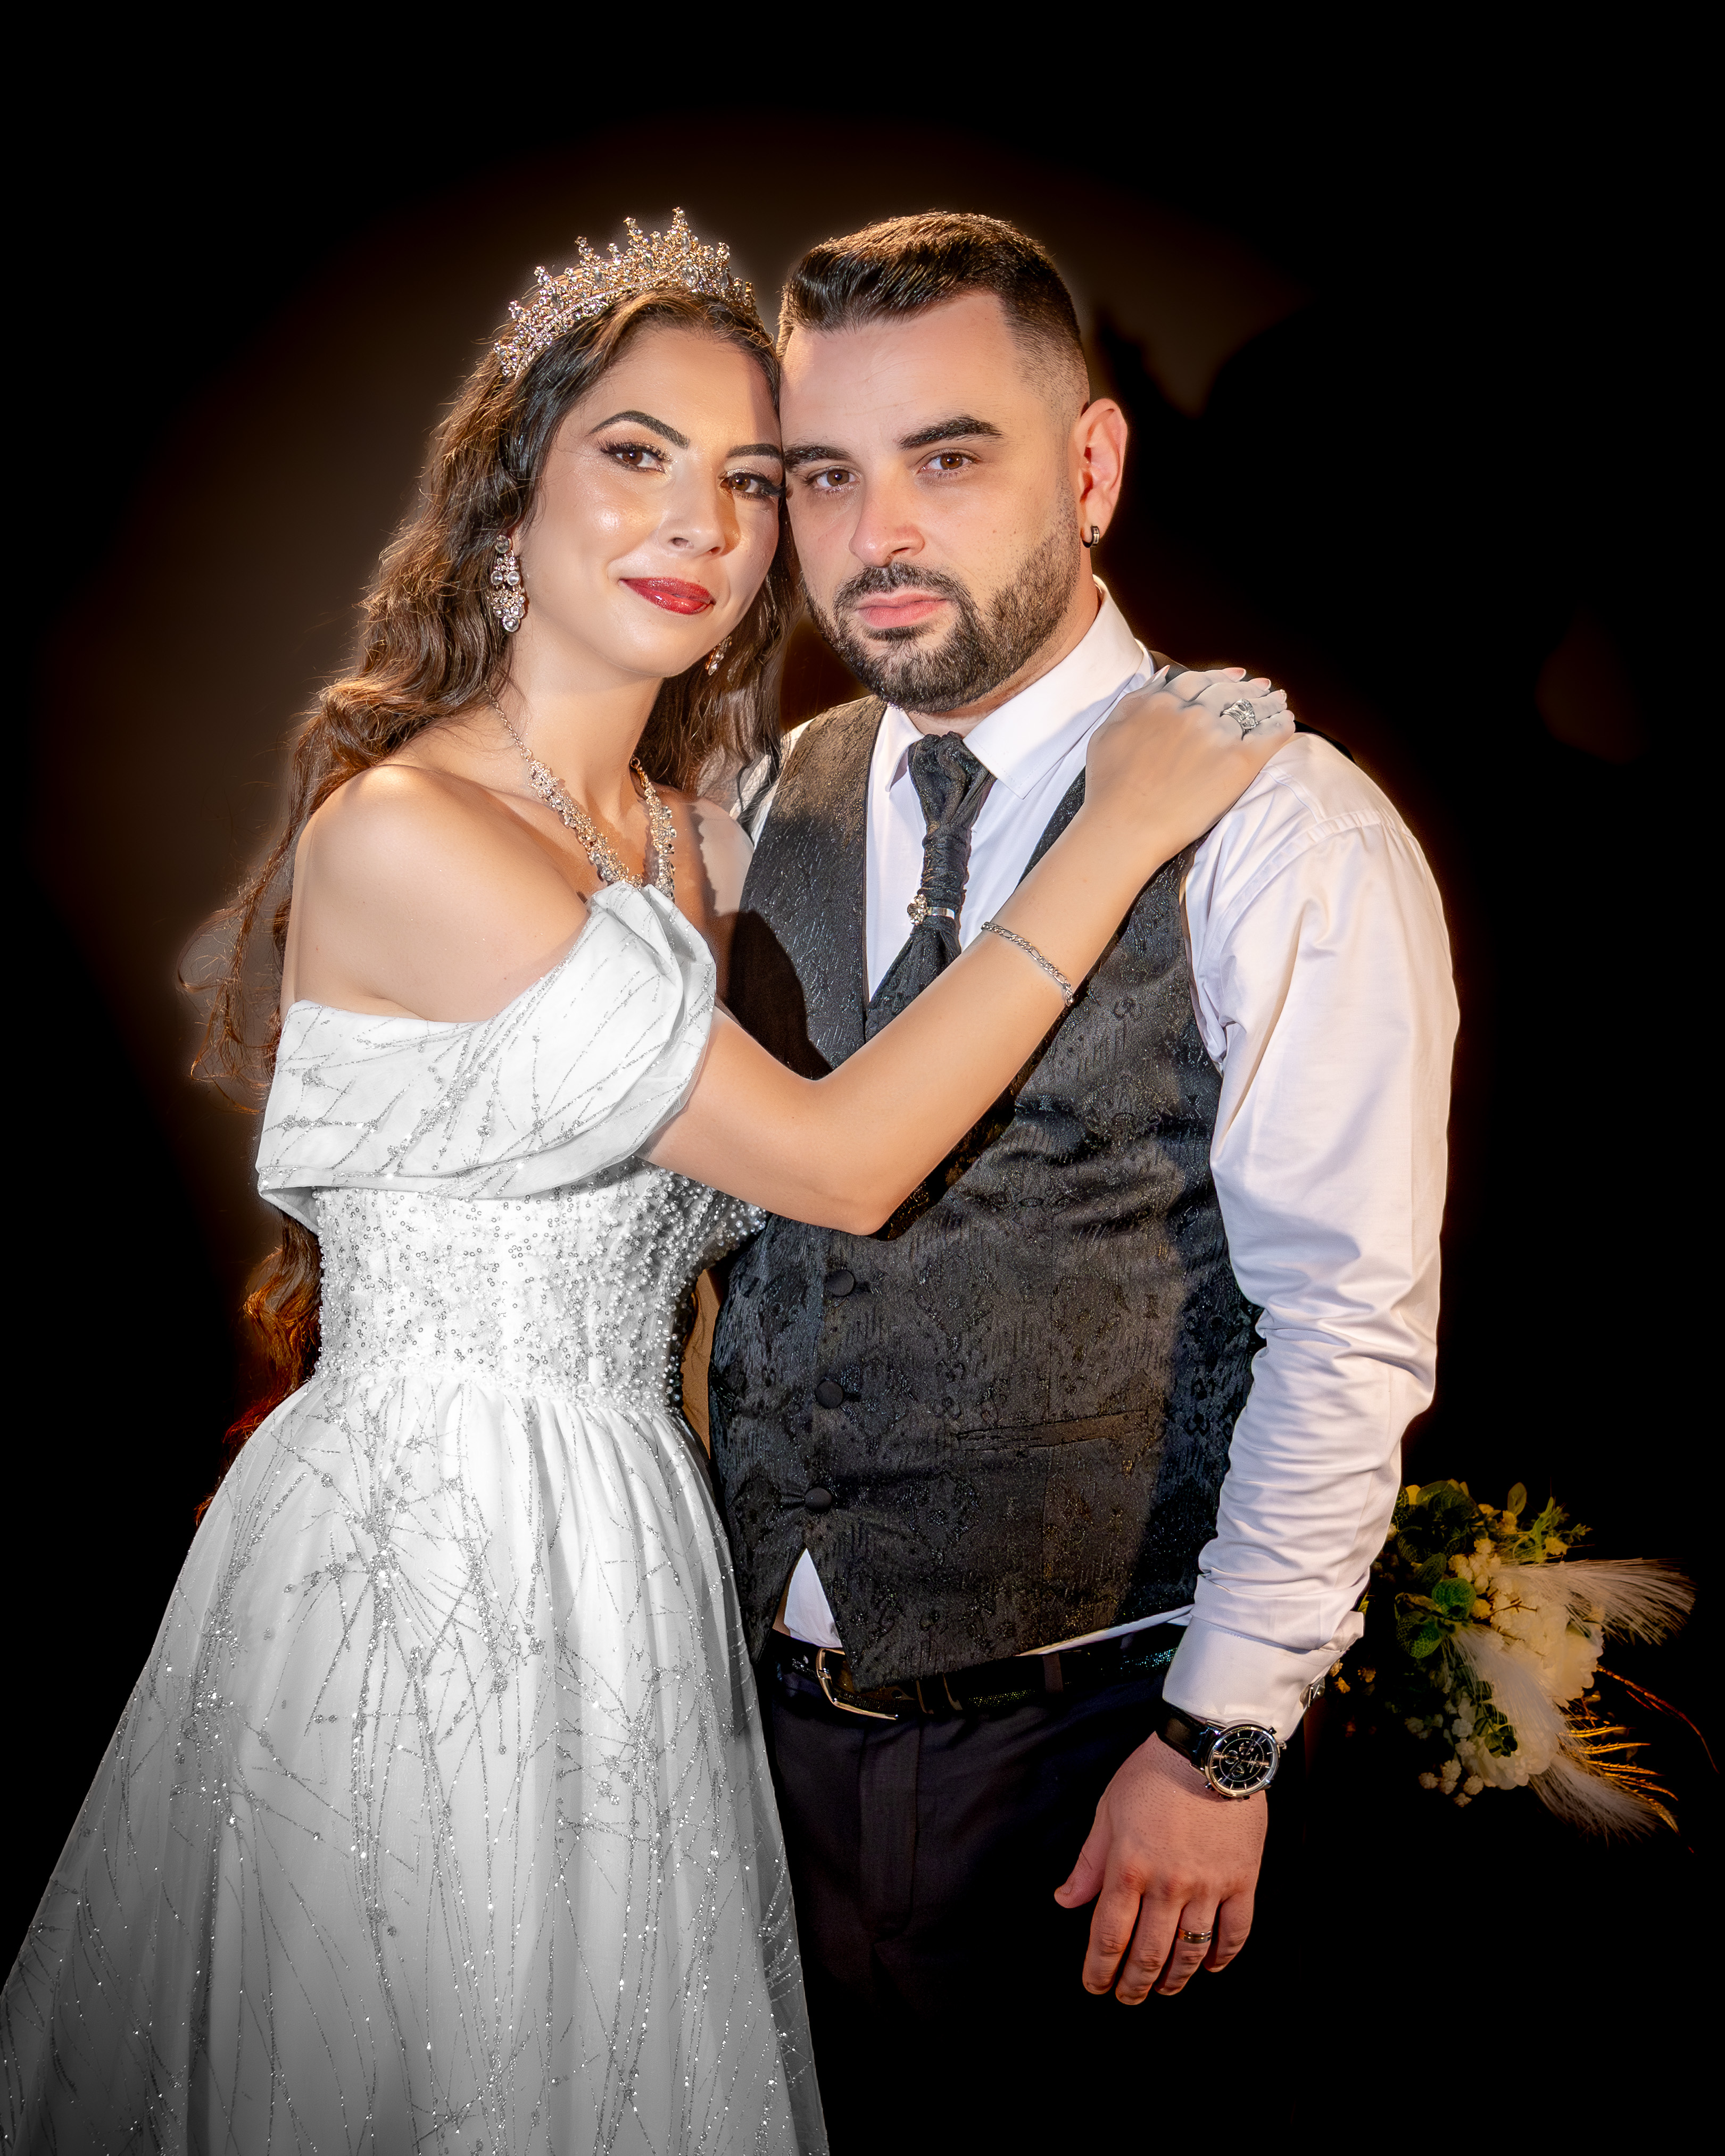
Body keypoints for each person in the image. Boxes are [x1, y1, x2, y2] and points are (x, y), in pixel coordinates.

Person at [0, 214, 1290, 2154]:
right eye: (635, 454)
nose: (701, 518)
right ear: (508, 501)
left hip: (635, 1543)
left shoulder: (707, 840)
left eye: (752, 480)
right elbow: (840, 1167)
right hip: (434, 1543)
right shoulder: (412, 833)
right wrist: (1112, 835)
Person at [708, 212, 1460, 2143]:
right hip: (746, 1762)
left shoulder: (1284, 830)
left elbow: (1346, 1326)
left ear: (1092, 468)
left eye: (948, 459)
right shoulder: (754, 799)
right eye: (823, 475)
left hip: (1087, 1759)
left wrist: (1218, 1749)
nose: (877, 534)